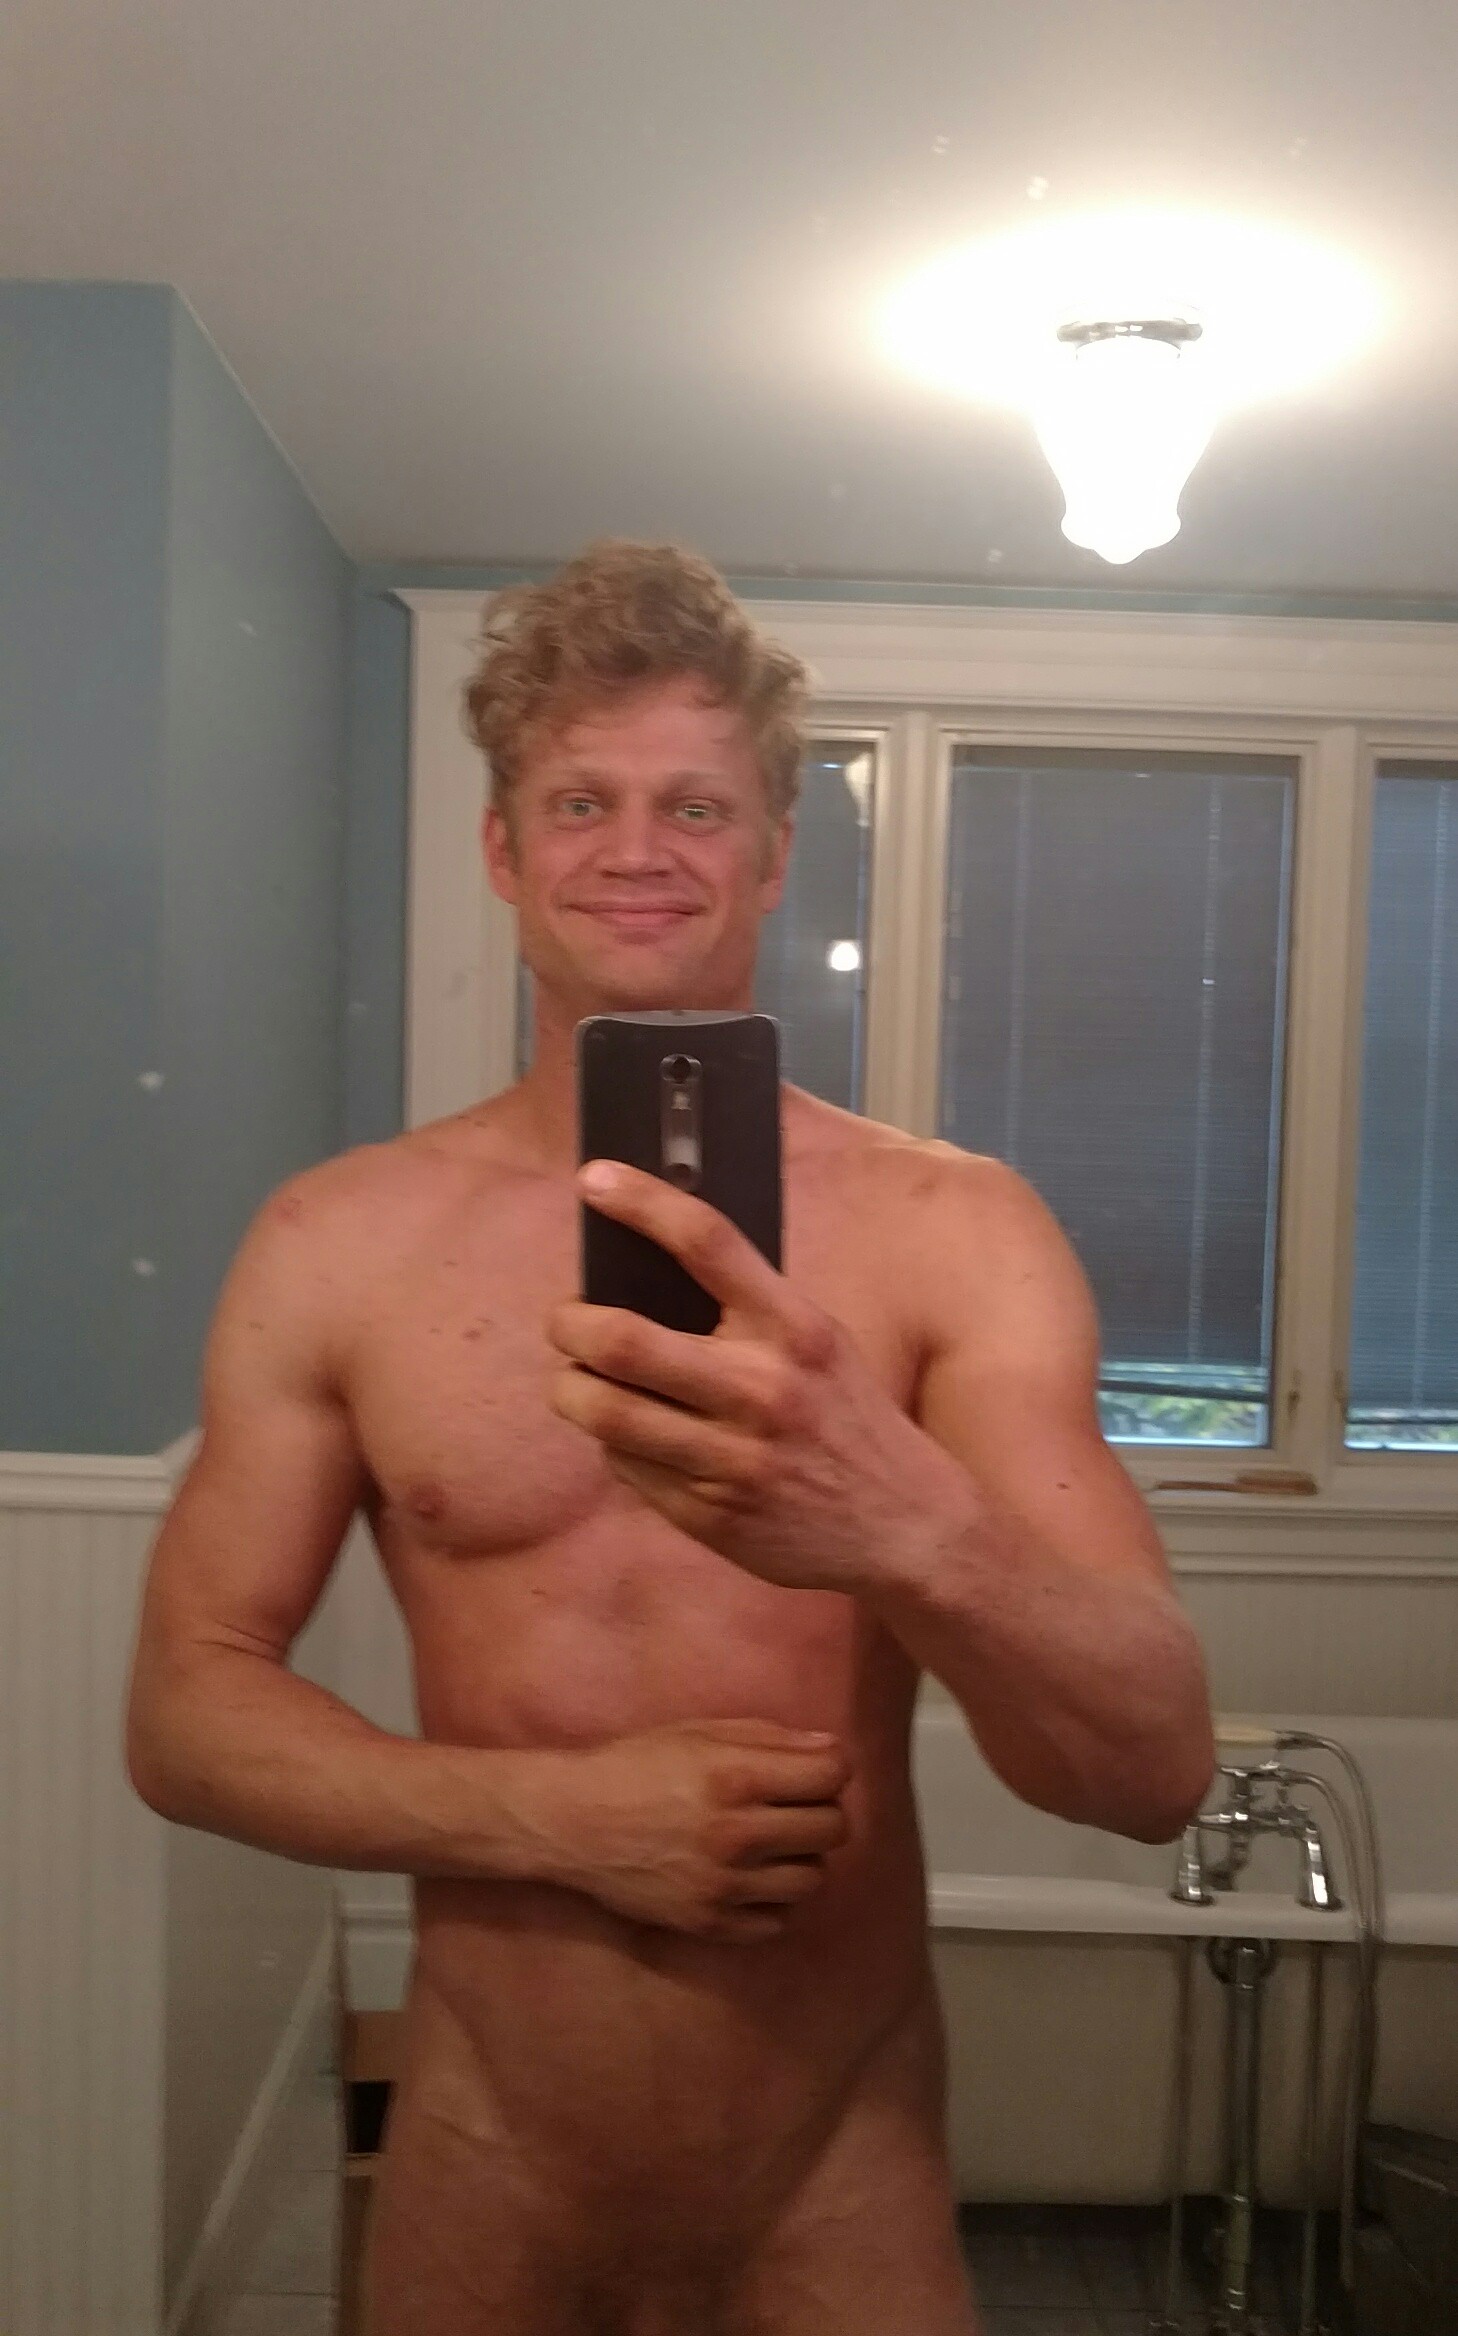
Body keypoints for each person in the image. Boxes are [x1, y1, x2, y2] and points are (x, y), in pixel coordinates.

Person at [125, 540, 1216, 2336]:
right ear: (502, 849)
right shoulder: (337, 1244)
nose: (637, 848)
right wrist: (559, 1818)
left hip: (837, 2170)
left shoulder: (958, 1233)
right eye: (582, 800)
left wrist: (905, 1526)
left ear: (773, 854)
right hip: (480, 2169)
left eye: (696, 805)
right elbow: (184, 1714)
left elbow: (1150, 1767)